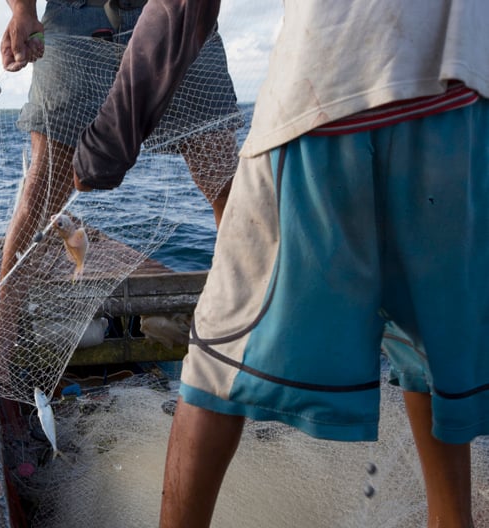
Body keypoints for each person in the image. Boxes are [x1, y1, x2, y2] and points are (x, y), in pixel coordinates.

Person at [71, 1, 488, 526]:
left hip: (329, 88)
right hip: (466, 106)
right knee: (428, 351)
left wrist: (107, 143)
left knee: (216, 358)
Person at [0, 0, 241, 377]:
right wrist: (22, 10)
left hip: (182, 11)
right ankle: (4, 330)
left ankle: (250, 313)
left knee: (227, 183)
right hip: (78, 16)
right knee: (43, 189)